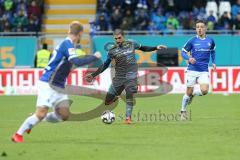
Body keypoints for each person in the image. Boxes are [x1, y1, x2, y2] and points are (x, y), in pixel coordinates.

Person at [11, 21, 101, 143]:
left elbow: (65, 64)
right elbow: (77, 62)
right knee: (41, 113)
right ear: (79, 34)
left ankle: (37, 118)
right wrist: (94, 56)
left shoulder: (68, 45)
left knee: (64, 115)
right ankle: (18, 134)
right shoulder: (67, 44)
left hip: (59, 85)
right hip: (48, 83)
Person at [86, 29, 167, 124]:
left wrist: (156, 47)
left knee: (130, 93)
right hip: (119, 77)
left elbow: (144, 48)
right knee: (107, 101)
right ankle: (116, 96)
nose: (118, 40)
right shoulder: (112, 51)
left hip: (131, 75)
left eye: (119, 38)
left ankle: (128, 118)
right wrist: (93, 75)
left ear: (123, 36)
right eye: (116, 38)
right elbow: (105, 65)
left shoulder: (132, 43)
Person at [180, 20, 216, 120]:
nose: (199, 29)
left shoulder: (210, 40)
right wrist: (189, 58)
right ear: (195, 29)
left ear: (205, 28)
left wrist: (213, 62)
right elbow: (183, 52)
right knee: (188, 91)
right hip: (192, 70)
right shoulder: (192, 41)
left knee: (204, 91)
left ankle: (193, 95)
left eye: (201, 27)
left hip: (204, 70)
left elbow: (213, 51)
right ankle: (183, 111)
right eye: (197, 27)